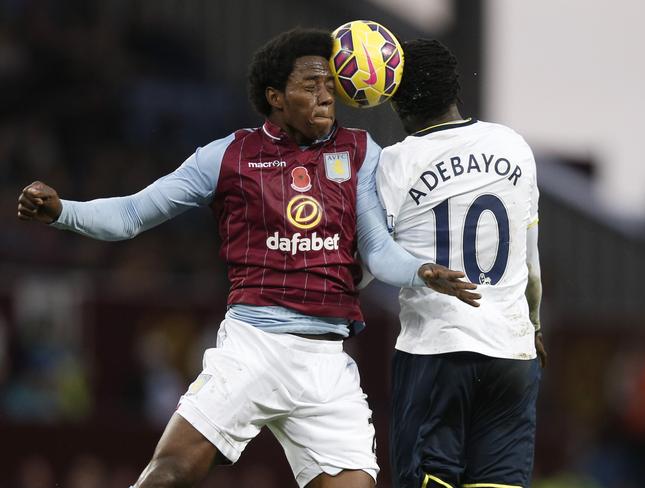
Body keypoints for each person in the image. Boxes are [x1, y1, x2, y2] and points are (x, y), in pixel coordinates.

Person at [17, 28, 479, 488]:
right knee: (172, 471)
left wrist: (420, 272)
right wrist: (63, 212)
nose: (326, 95)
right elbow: (134, 213)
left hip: (327, 362)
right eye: (310, 85)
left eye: (329, 84)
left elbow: (377, 251)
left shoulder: (358, 151)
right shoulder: (228, 156)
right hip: (253, 346)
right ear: (276, 96)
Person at [376, 39, 548, 488]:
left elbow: (373, 261)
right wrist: (534, 324)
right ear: (454, 88)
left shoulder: (396, 162)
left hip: (439, 351)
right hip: (512, 355)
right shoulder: (513, 146)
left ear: (395, 96)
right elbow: (531, 268)